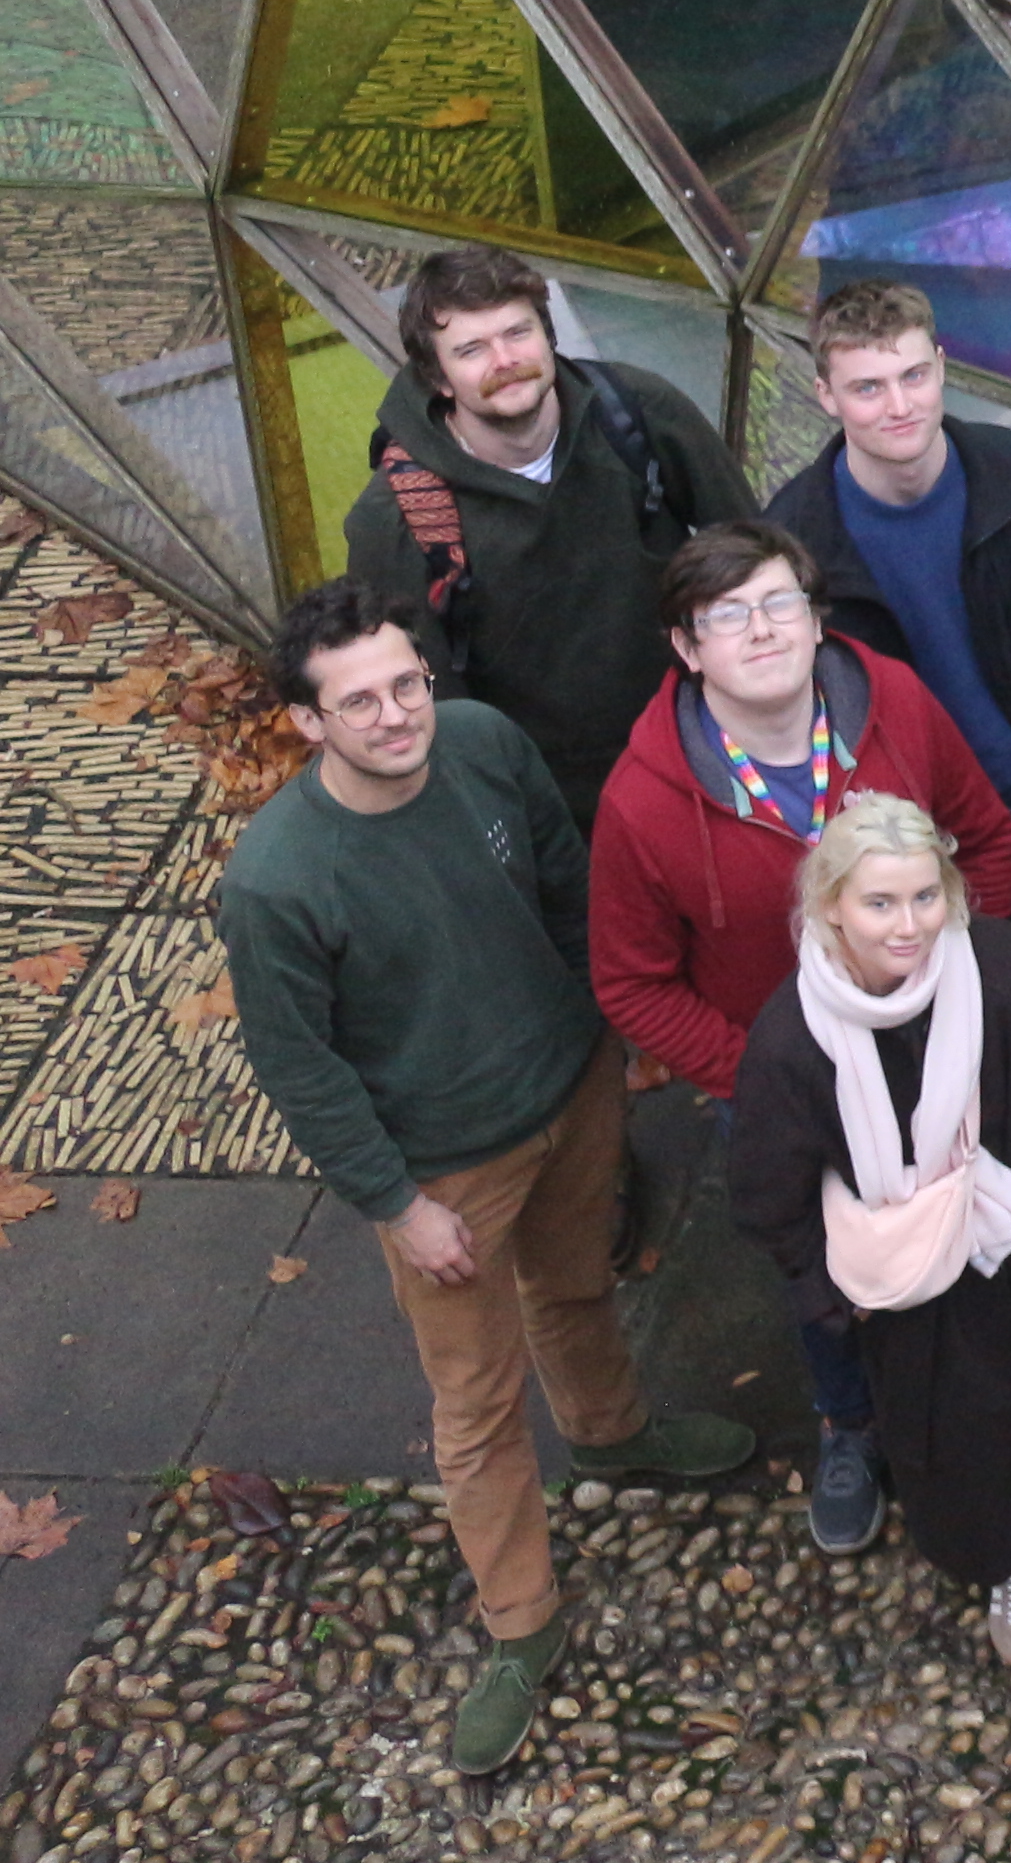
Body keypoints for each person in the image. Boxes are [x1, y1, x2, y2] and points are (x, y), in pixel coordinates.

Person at [216, 582, 755, 1774]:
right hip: (447, 1165)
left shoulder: (486, 746)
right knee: (473, 1401)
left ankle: (614, 1435)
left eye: (408, 682)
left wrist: (612, 1031)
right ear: (308, 724)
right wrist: (398, 1206)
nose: (400, 714)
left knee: (574, 1289)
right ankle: (523, 1621)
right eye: (360, 701)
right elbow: (301, 1071)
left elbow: (570, 895)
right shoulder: (276, 882)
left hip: (571, 1087)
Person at [587, 520, 1011, 1559]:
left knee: (966, 1230)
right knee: (818, 1270)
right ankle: (851, 1425)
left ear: (819, 619)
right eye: (726, 616)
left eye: (780, 603)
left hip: (936, 1048)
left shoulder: (898, 709)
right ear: (687, 649)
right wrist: (763, 1078)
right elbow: (631, 984)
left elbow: (988, 835)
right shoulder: (644, 804)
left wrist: (974, 980)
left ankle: (978, 1413)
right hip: (780, 1089)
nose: (761, 630)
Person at [723, 796, 1011, 1666]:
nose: (909, 926)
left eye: (925, 898)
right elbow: (769, 1191)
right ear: (831, 907)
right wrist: (834, 1301)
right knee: (973, 1423)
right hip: (916, 1283)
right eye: (880, 904)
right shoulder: (793, 1038)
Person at [340, 246, 751, 821]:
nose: (504, 360)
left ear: (548, 335)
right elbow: (427, 706)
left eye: (517, 332)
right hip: (547, 804)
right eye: (472, 349)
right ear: (438, 377)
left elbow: (751, 555)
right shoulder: (397, 518)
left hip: (704, 746)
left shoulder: (636, 414)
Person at [770, 282, 1011, 930]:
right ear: (826, 396)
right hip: (913, 842)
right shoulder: (792, 546)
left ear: (942, 367)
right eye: (868, 387)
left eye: (915, 376)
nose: (900, 405)